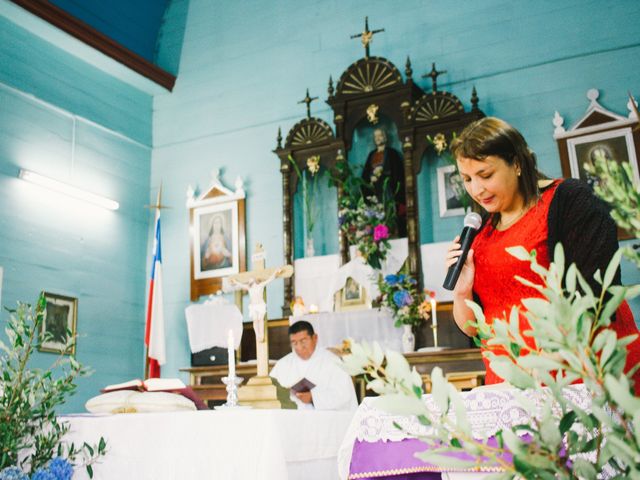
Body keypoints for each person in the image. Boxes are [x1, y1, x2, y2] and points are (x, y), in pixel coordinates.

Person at [444, 116, 640, 394]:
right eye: (466, 179)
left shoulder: (570, 201)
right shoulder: (480, 233)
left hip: (577, 376)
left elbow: (595, 298)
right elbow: (473, 329)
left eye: (486, 175)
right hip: (513, 387)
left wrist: (538, 370)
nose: (476, 189)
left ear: (516, 163)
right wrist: (462, 293)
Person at [269, 321, 358, 411]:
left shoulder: (332, 361)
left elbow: (344, 395)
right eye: (294, 343)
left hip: (324, 420)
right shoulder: (283, 364)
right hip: (291, 419)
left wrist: (313, 398)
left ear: (315, 338)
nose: (299, 347)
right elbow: (269, 391)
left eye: (303, 341)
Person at [361, 128, 407, 237]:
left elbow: (397, 173)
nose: (378, 138)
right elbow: (365, 175)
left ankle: (392, 232)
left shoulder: (392, 153)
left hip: (388, 191)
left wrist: (383, 176)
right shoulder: (371, 155)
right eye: (375, 136)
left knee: (390, 213)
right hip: (375, 192)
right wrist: (370, 179)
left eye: (380, 135)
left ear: (385, 137)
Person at [230, 268, 282, 343]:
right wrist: (235, 281)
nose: (251, 280)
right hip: (253, 306)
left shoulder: (260, 285)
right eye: (250, 280)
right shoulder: (249, 288)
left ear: (255, 280)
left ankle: (261, 335)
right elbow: (241, 285)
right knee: (255, 320)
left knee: (260, 320)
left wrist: (276, 272)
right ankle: (257, 334)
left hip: (260, 305)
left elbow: (270, 279)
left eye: (252, 279)